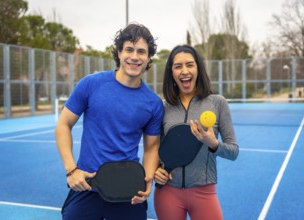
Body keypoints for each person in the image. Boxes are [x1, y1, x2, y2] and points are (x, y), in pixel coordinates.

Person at [55, 23, 164, 220]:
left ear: (148, 58)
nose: (134, 56)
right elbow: (64, 125)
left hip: (128, 191)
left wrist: (147, 180)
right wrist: (71, 170)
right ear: (119, 53)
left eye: (141, 51)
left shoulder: (153, 103)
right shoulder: (91, 84)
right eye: (129, 49)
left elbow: (151, 147)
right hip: (87, 185)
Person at [153, 44, 239, 220]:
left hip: (204, 193)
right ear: (172, 73)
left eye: (190, 64)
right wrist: (156, 170)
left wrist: (213, 144)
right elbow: (155, 149)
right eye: (178, 66)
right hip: (167, 193)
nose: (184, 71)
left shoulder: (218, 103)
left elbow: (233, 152)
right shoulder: (162, 107)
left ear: (198, 68)